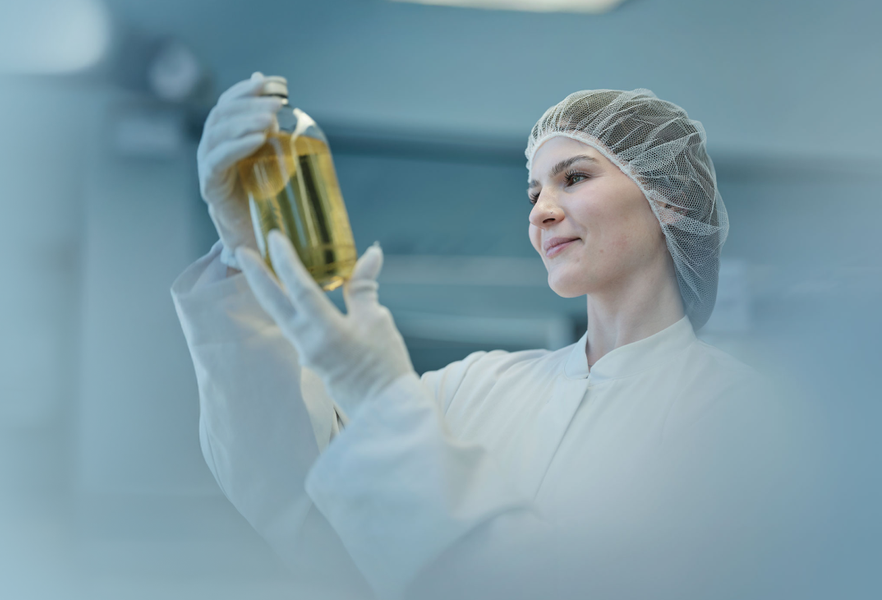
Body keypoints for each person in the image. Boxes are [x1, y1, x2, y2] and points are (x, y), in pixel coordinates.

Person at [171, 73, 818, 599]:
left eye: (575, 177)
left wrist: (384, 404)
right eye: (535, 190)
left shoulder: (733, 413)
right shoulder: (474, 384)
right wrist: (241, 247)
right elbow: (305, 499)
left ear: (669, 196)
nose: (540, 209)